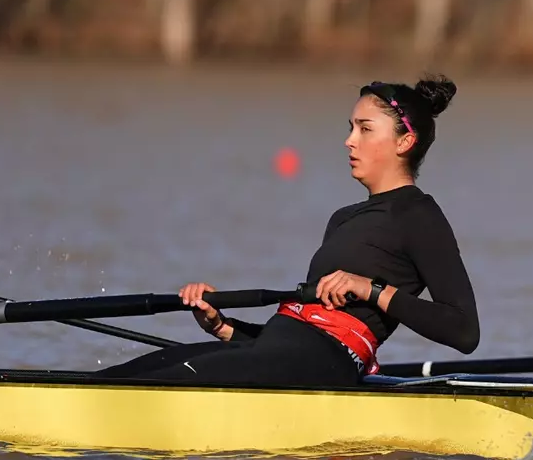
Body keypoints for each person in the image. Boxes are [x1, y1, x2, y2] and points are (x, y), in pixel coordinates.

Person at [100, 77, 479, 387]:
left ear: (404, 142)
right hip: (291, 353)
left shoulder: (420, 216)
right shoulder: (343, 219)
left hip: (330, 361)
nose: (349, 140)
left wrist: (372, 289)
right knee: (125, 375)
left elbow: (463, 330)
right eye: (350, 128)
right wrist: (223, 326)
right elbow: (290, 340)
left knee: (166, 380)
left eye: (365, 129)